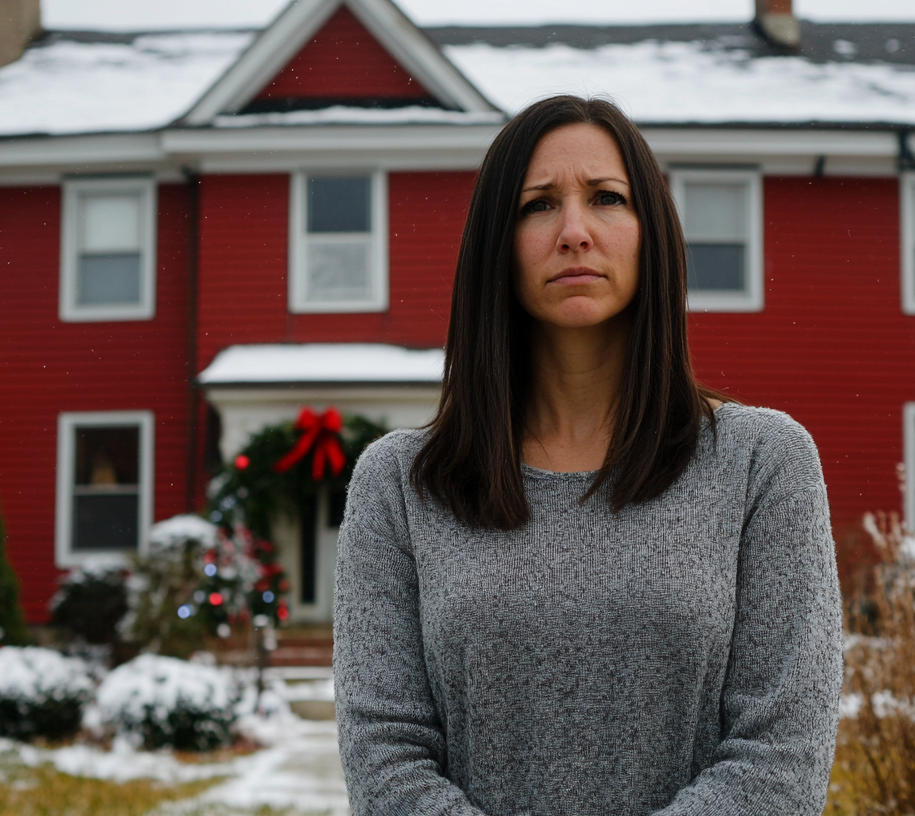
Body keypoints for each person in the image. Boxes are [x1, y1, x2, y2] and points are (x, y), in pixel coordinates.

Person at [333, 95, 842, 816]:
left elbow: (781, 759)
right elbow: (385, 757)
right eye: (537, 205)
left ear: (651, 233)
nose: (574, 231)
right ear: (496, 246)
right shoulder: (398, 486)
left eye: (607, 198)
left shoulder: (764, 464)